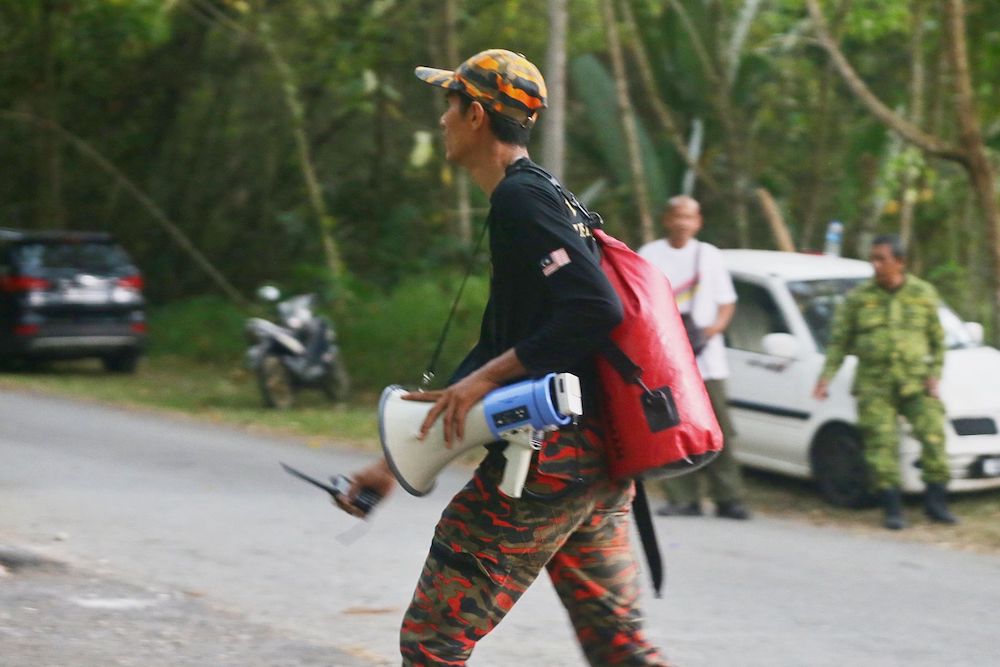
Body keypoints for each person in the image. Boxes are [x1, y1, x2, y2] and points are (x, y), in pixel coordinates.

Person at [346, 49, 670, 666]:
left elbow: (593, 308)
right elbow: (505, 346)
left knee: (433, 641)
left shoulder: (524, 203)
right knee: (620, 649)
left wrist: (484, 381)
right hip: (594, 462)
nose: (440, 121)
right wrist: (392, 463)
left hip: (549, 464)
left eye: (448, 106)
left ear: (474, 115)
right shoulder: (541, 198)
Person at [813, 234, 957, 530]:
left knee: (933, 434)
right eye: (873, 259)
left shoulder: (923, 294)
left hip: (915, 382)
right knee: (881, 444)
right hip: (874, 384)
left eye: (882, 259)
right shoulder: (858, 299)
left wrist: (935, 374)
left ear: (900, 262)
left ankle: (936, 503)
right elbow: (839, 342)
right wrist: (825, 377)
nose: (875, 265)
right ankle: (892, 506)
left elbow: (938, 342)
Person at [637, 196, 750, 520]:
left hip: (707, 361)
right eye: (677, 216)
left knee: (718, 430)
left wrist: (711, 331)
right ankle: (683, 497)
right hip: (666, 359)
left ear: (698, 222)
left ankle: (729, 497)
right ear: (666, 219)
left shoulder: (709, 256)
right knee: (674, 427)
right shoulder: (651, 254)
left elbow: (727, 303)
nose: (683, 223)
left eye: (690, 217)